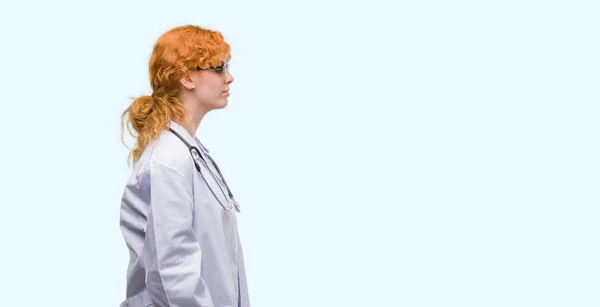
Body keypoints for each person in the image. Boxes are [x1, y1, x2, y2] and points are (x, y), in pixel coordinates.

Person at [118, 24, 250, 307]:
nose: (230, 77)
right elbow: (173, 275)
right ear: (188, 78)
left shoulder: (188, 152)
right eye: (219, 68)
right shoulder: (169, 160)